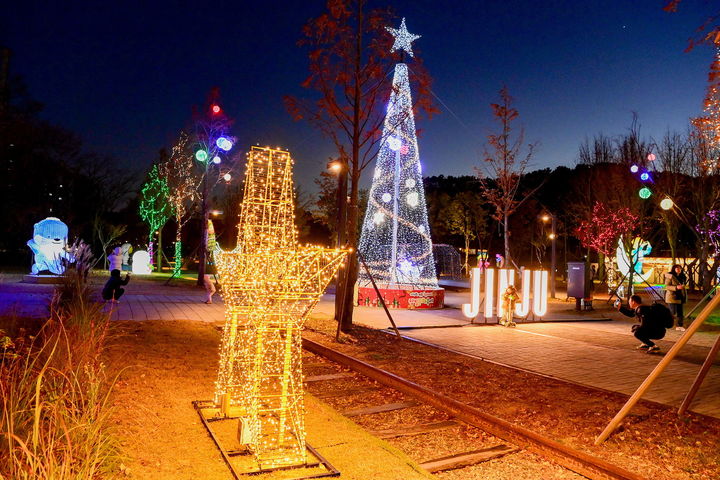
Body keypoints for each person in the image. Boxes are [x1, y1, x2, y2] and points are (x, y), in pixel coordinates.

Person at [664, 264, 687, 331]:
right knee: (672, 312)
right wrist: (676, 287)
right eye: (677, 268)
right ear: (673, 269)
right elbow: (666, 286)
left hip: (680, 297)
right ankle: (666, 323)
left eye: (679, 268)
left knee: (680, 313)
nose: (678, 269)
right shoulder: (670, 276)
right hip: (672, 297)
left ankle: (679, 325)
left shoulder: (683, 277)